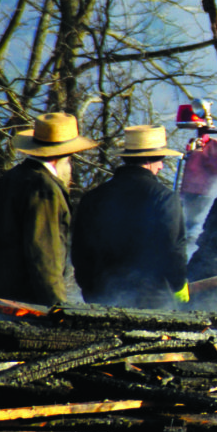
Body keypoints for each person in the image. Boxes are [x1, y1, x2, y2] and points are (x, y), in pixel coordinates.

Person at [71, 125, 190, 309]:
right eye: (161, 159)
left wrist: (90, 288)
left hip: (100, 297)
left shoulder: (92, 197)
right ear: (150, 159)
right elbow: (174, 249)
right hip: (152, 301)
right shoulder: (164, 197)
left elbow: (80, 251)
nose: (161, 166)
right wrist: (177, 285)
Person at [0, 112, 98, 307]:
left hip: (2, 296)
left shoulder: (10, 178)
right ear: (63, 156)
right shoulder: (44, 187)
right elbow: (45, 255)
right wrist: (58, 307)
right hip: (31, 303)